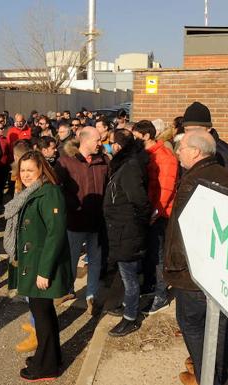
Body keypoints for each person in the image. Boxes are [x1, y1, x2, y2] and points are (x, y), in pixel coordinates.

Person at [165, 131, 228, 385]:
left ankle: (207, 376)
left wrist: (175, 268)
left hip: (193, 273)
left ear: (196, 152)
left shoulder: (193, 181)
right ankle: (211, 372)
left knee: (192, 324)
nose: (177, 152)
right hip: (218, 269)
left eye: (182, 148)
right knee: (216, 326)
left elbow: (182, 232)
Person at [3, 150, 71, 382]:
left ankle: (46, 367)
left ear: (42, 169)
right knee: (44, 314)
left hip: (41, 266)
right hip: (31, 263)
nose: (26, 174)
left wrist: (45, 272)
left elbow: (56, 234)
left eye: (30, 170)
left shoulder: (49, 193)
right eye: (22, 170)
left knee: (42, 315)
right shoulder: (30, 192)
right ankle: (51, 357)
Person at [54, 126, 108, 313]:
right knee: (70, 258)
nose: (100, 144)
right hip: (75, 221)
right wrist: (74, 205)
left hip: (97, 222)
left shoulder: (103, 161)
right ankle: (67, 289)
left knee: (95, 260)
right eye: (97, 140)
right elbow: (57, 188)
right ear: (85, 140)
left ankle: (91, 295)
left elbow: (108, 187)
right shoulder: (65, 162)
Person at [103, 129, 151, 336]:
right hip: (122, 229)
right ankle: (125, 306)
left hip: (128, 231)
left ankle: (130, 318)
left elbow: (139, 201)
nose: (107, 145)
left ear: (118, 146)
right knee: (125, 275)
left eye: (111, 142)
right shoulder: (123, 164)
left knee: (129, 277)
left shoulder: (129, 167)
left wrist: (135, 225)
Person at [132, 120, 178, 315]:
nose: (134, 141)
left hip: (159, 214)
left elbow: (165, 189)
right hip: (147, 211)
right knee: (150, 253)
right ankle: (150, 286)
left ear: (147, 136)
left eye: (136, 138)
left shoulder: (165, 157)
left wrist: (154, 213)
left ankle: (161, 294)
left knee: (158, 255)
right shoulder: (145, 155)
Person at [182, 102, 228, 193]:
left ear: (208, 129)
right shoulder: (185, 149)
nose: (191, 134)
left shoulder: (227, 156)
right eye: (187, 130)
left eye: (196, 130)